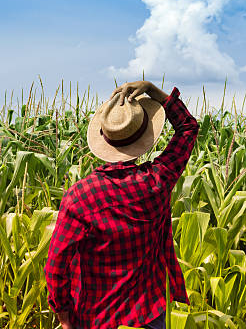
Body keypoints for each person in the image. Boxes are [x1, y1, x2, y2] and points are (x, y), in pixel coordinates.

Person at [44, 80, 199, 329]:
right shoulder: (157, 181)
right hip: (148, 315)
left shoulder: (80, 197)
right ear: (144, 138)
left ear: (105, 140)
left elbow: (55, 265)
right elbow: (188, 128)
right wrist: (155, 91)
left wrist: (63, 315)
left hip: (96, 318)